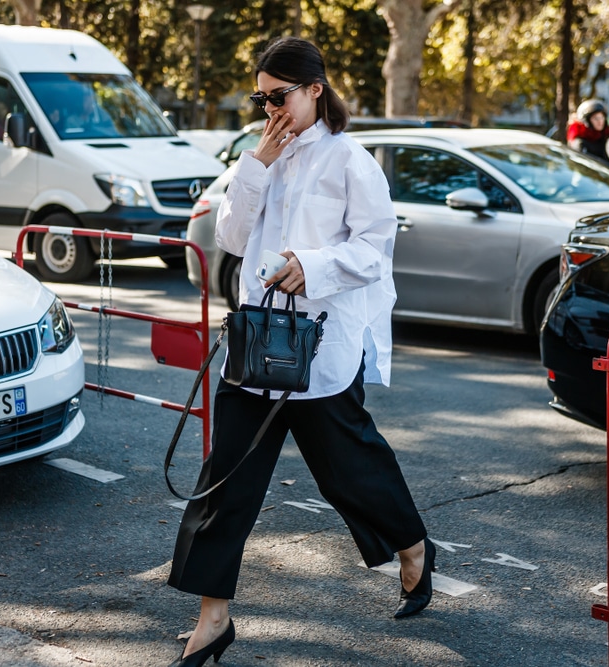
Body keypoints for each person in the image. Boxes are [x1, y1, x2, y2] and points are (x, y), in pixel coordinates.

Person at [165, 36, 434, 667]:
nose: (270, 109)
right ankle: (213, 619)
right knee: (224, 482)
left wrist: (311, 267)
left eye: (280, 96)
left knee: (351, 472)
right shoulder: (259, 155)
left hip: (320, 349)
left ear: (315, 89)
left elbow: (375, 249)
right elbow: (230, 236)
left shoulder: (350, 161)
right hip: (258, 341)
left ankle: (413, 547)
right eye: (260, 98)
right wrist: (256, 162)